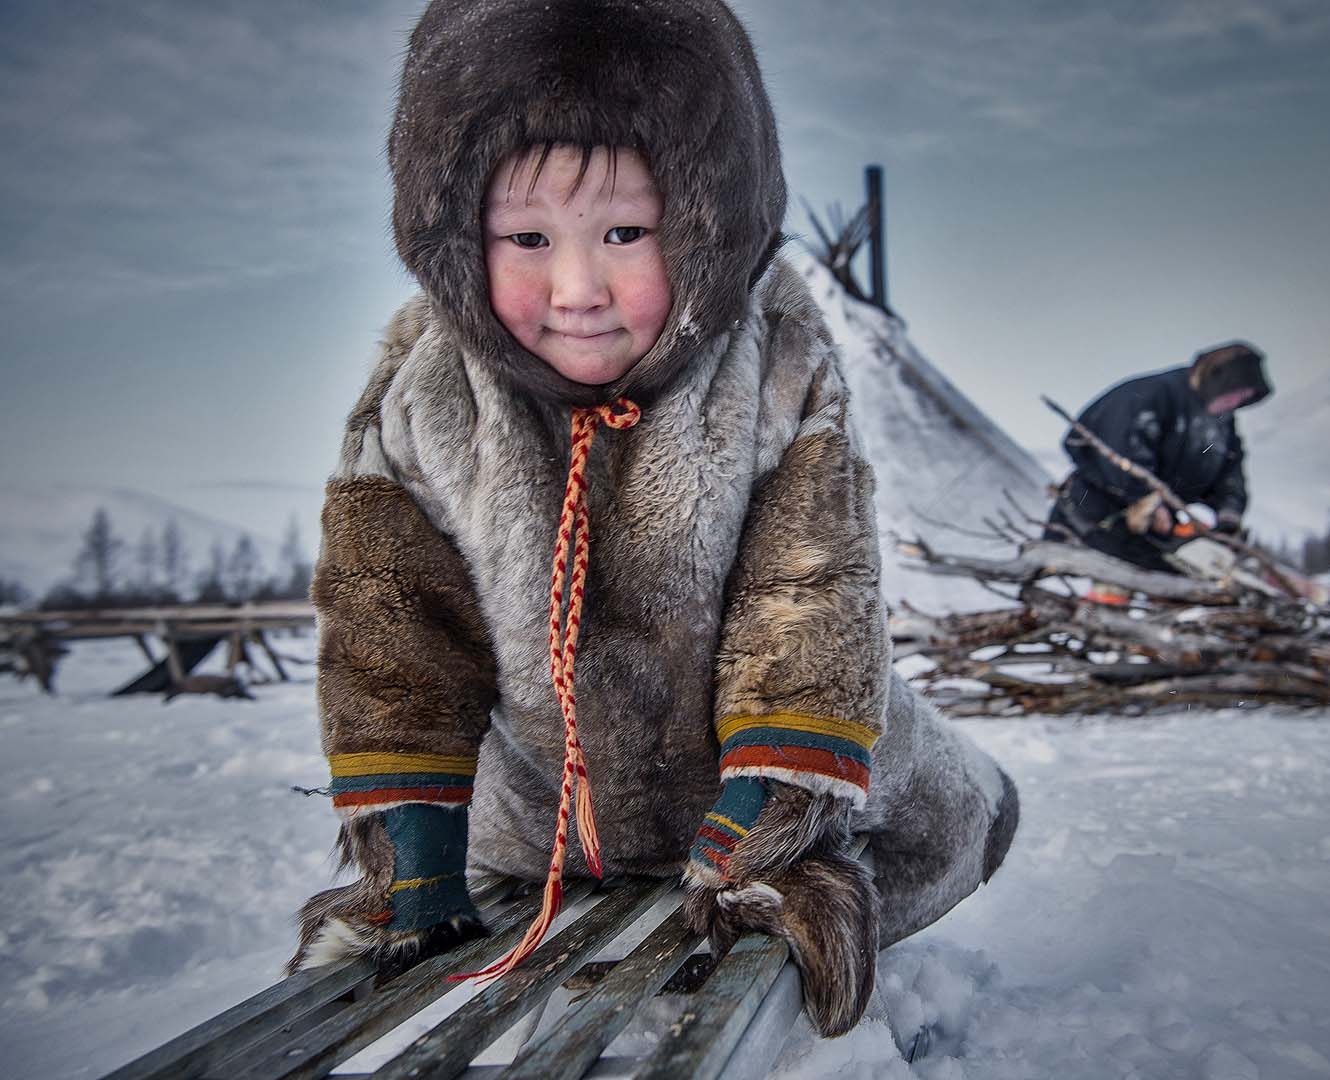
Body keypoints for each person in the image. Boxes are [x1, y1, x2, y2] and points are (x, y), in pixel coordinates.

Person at [286, 0, 1018, 1039]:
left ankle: (826, 843)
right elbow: (394, 630)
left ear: (708, 226)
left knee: (951, 810)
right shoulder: (425, 393)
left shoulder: (778, 362)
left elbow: (806, 594)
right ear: (454, 241)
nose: (578, 286)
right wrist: (407, 848)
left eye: (625, 233)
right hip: (541, 806)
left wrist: (767, 830)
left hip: (767, 769)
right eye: (527, 237)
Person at [1044, 343, 1272, 573]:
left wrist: (1228, 516)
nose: (1235, 403)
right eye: (1235, 393)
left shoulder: (1220, 424)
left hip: (1155, 531)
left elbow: (1229, 471)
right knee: (1069, 582)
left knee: (1163, 584)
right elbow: (1120, 446)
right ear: (1217, 379)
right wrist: (1144, 497)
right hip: (1092, 510)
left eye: (1245, 397)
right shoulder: (1151, 395)